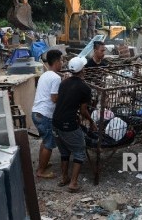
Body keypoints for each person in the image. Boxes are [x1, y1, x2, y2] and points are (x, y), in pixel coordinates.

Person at [52, 56, 97, 193]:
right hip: (68, 124)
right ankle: (73, 182)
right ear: (82, 69)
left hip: (56, 121)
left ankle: (64, 178)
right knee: (79, 150)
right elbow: (83, 110)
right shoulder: (85, 88)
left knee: (65, 151)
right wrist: (91, 121)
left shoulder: (64, 82)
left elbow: (65, 102)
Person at [32, 50, 64, 179]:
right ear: (56, 62)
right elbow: (54, 98)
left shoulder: (46, 75)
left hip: (37, 112)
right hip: (44, 114)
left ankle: (43, 164)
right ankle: (40, 171)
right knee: (49, 143)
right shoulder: (56, 78)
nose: (63, 63)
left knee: (45, 141)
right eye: (62, 60)